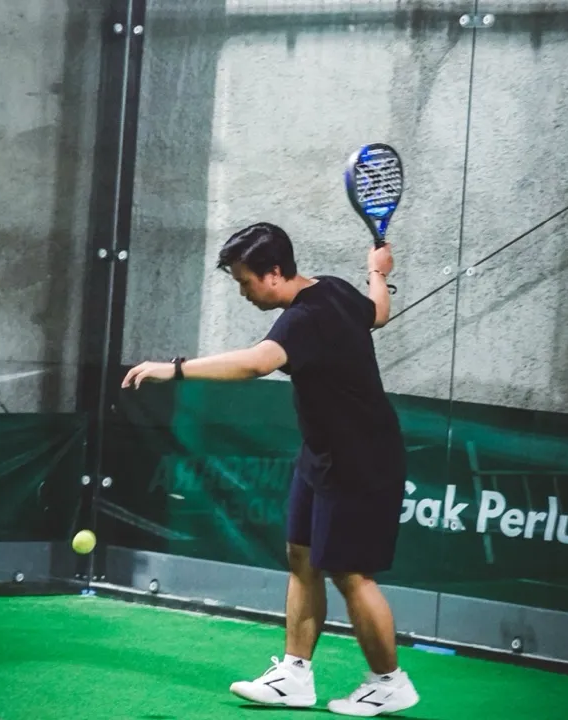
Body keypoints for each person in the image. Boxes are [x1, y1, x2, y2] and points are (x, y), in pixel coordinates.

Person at [121, 222, 419, 717]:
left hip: (361, 456)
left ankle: (390, 682)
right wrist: (377, 271)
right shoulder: (335, 289)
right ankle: (294, 676)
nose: (243, 292)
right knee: (302, 556)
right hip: (322, 451)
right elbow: (379, 313)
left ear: (275, 272)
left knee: (350, 573)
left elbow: (256, 364)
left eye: (245, 282)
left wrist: (173, 368)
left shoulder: (303, 319)